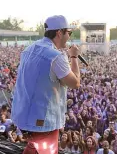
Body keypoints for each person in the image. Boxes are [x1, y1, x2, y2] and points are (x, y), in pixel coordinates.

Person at [11, 15, 81, 154]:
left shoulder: (29, 49)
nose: (69, 36)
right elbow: (75, 83)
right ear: (59, 33)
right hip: (43, 120)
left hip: (24, 115)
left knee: (33, 147)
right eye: (69, 33)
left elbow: (46, 78)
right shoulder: (55, 56)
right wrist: (74, 57)